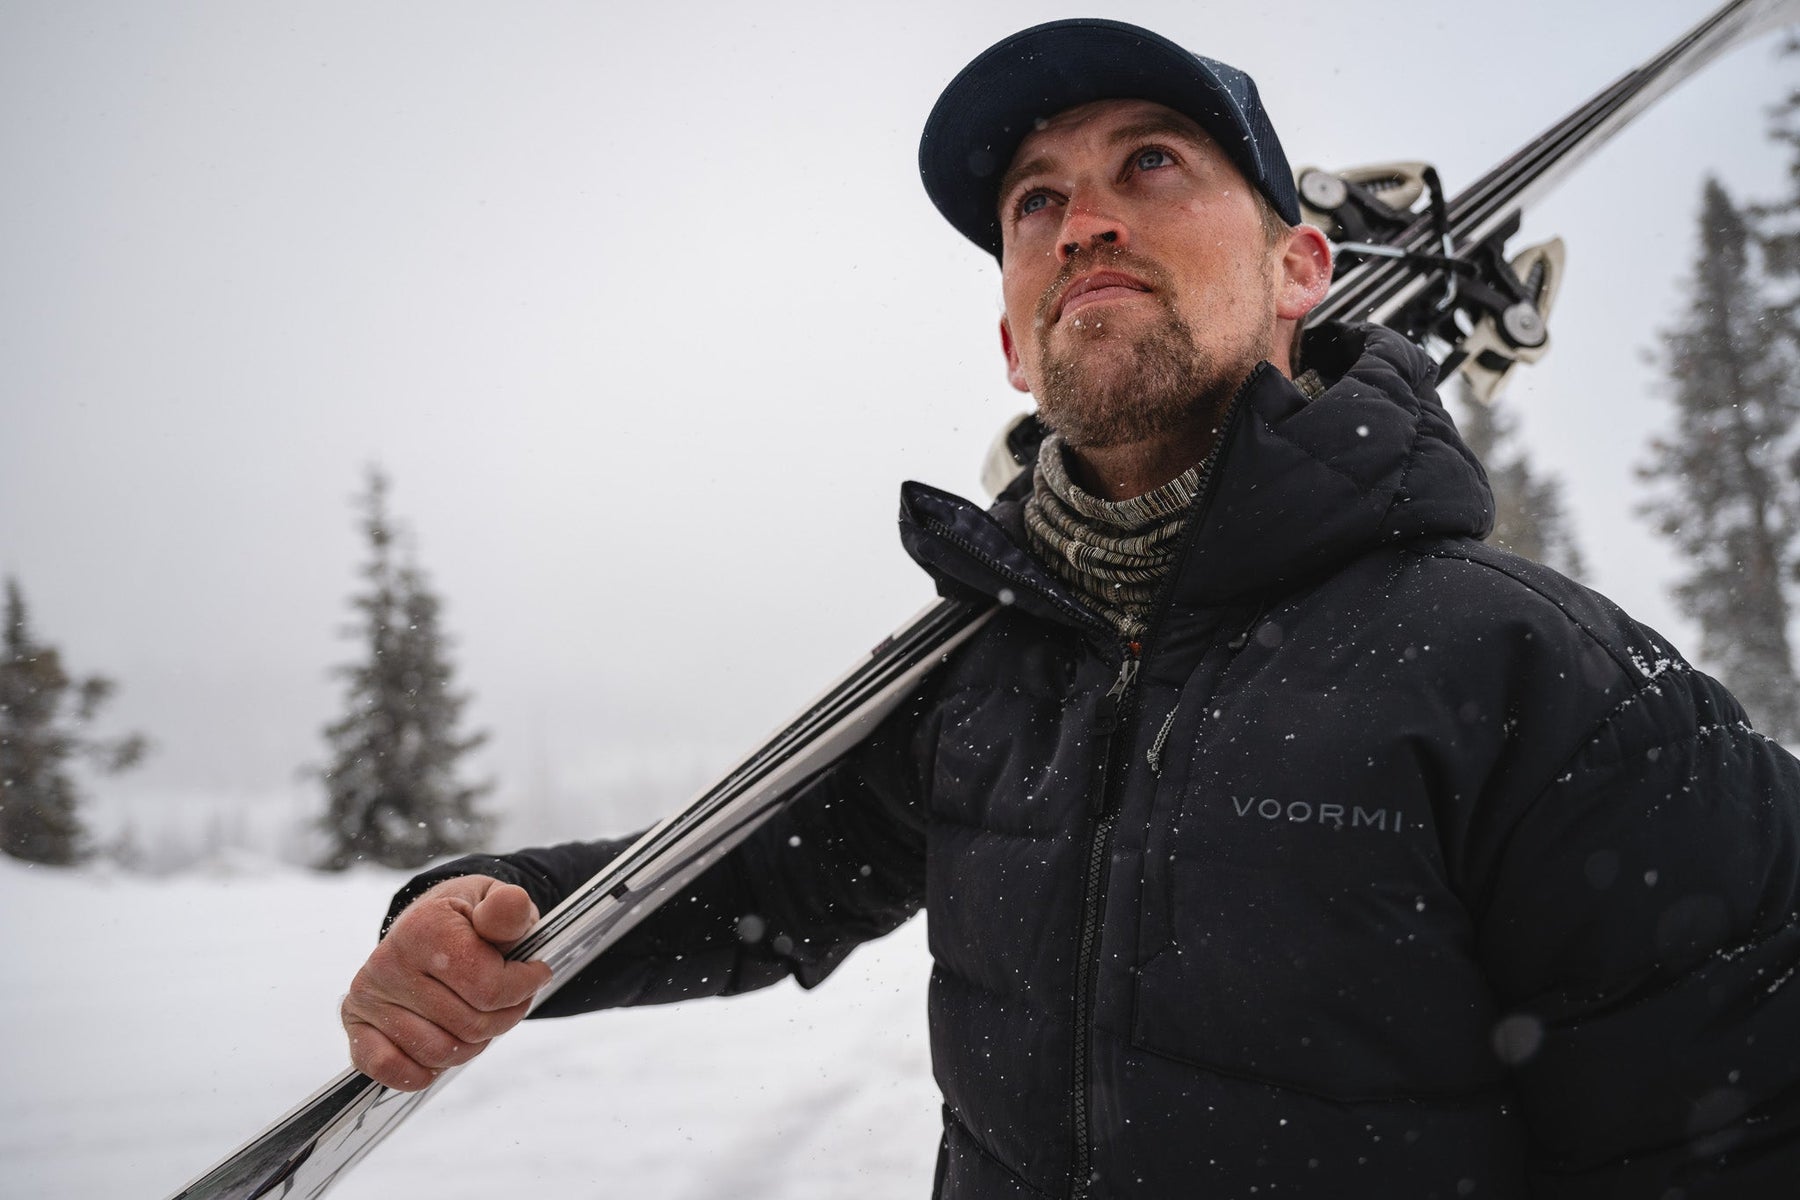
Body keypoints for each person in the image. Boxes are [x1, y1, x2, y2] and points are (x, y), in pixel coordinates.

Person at [340, 18, 1800, 1198]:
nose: (1085, 220)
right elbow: (767, 874)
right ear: (1012, 341)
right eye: (1036, 202)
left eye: (1151, 163)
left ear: (1302, 269)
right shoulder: (984, 677)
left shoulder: (1552, 687)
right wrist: (496, 918)